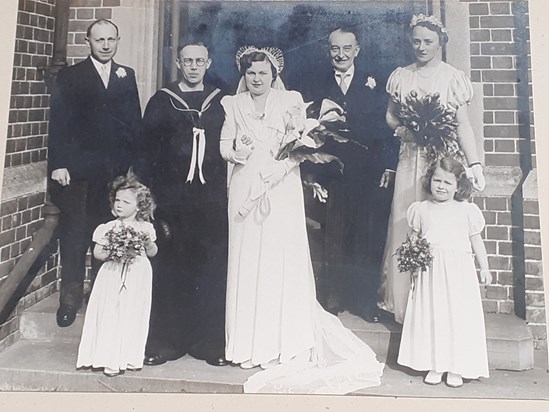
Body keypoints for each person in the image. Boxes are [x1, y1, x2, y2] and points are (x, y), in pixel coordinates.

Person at [219, 46, 384, 394]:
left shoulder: (291, 101)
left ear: (274, 74)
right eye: (251, 74)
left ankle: (282, 341)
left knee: (280, 258)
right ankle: (249, 344)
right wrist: (237, 152)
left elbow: (301, 146)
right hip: (246, 183)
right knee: (249, 261)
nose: (257, 79)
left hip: (280, 186)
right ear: (243, 75)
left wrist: (278, 168)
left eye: (263, 73)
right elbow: (224, 145)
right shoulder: (233, 104)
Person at [379, 14, 487, 323]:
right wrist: (404, 129)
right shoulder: (402, 76)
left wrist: (474, 162)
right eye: (416, 41)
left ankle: (440, 305)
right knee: (408, 222)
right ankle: (406, 306)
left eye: (428, 41)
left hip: (440, 161)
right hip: (410, 157)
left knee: (440, 226)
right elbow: (391, 115)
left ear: (439, 42)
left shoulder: (452, 77)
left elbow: (463, 125)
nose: (421, 47)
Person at [299, 27, 399, 321]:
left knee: (367, 235)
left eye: (346, 48)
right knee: (333, 234)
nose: (340, 55)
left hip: (369, 172)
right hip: (330, 170)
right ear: (327, 50)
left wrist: (389, 165)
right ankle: (332, 297)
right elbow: (304, 128)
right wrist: (310, 171)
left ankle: (364, 300)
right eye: (334, 49)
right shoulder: (314, 81)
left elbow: (388, 127)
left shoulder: (376, 80)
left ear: (357, 50)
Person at [138, 42, 228, 367]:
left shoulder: (222, 101)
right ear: (178, 62)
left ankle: (208, 342)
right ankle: (167, 341)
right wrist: (149, 199)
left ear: (209, 62)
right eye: (187, 60)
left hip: (211, 200)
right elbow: (146, 152)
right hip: (172, 200)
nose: (193, 66)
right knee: (170, 268)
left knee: (211, 268)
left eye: (199, 61)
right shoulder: (162, 101)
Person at [48, 19, 142, 327]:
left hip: (112, 174)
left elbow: (133, 124)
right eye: (99, 39)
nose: (105, 45)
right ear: (88, 41)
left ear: (117, 41)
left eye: (111, 39)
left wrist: (130, 169)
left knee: (109, 234)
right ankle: (70, 301)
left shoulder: (125, 75)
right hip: (77, 173)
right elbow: (59, 121)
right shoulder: (71, 75)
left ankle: (104, 296)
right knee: (75, 236)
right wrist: (59, 163)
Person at [398, 157, 492, 388]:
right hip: (430, 273)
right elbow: (414, 239)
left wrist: (485, 268)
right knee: (433, 316)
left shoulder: (466, 210)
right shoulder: (421, 209)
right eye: (436, 180)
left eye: (447, 183)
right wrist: (412, 259)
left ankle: (456, 366)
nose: (441, 186)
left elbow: (476, 241)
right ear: (429, 180)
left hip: (458, 274)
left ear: (459, 186)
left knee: (456, 317)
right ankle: (435, 364)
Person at [76, 173, 157, 377]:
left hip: (137, 273)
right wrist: (115, 249)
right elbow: (97, 253)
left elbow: (153, 252)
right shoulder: (108, 227)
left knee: (131, 312)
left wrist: (147, 243)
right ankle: (106, 357)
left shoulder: (145, 227)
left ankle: (128, 356)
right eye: (117, 200)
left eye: (126, 201)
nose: (119, 205)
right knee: (111, 311)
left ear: (139, 206)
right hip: (112, 273)